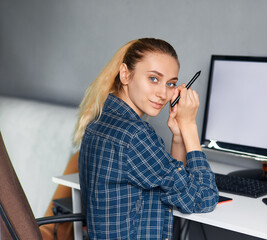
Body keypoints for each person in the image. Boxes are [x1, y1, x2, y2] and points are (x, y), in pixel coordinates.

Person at [73, 38, 219, 240]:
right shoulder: (135, 135)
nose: (163, 93)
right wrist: (190, 127)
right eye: (153, 79)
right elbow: (203, 198)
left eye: (171, 84)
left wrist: (178, 136)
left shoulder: (100, 119)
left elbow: (170, 182)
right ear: (125, 74)